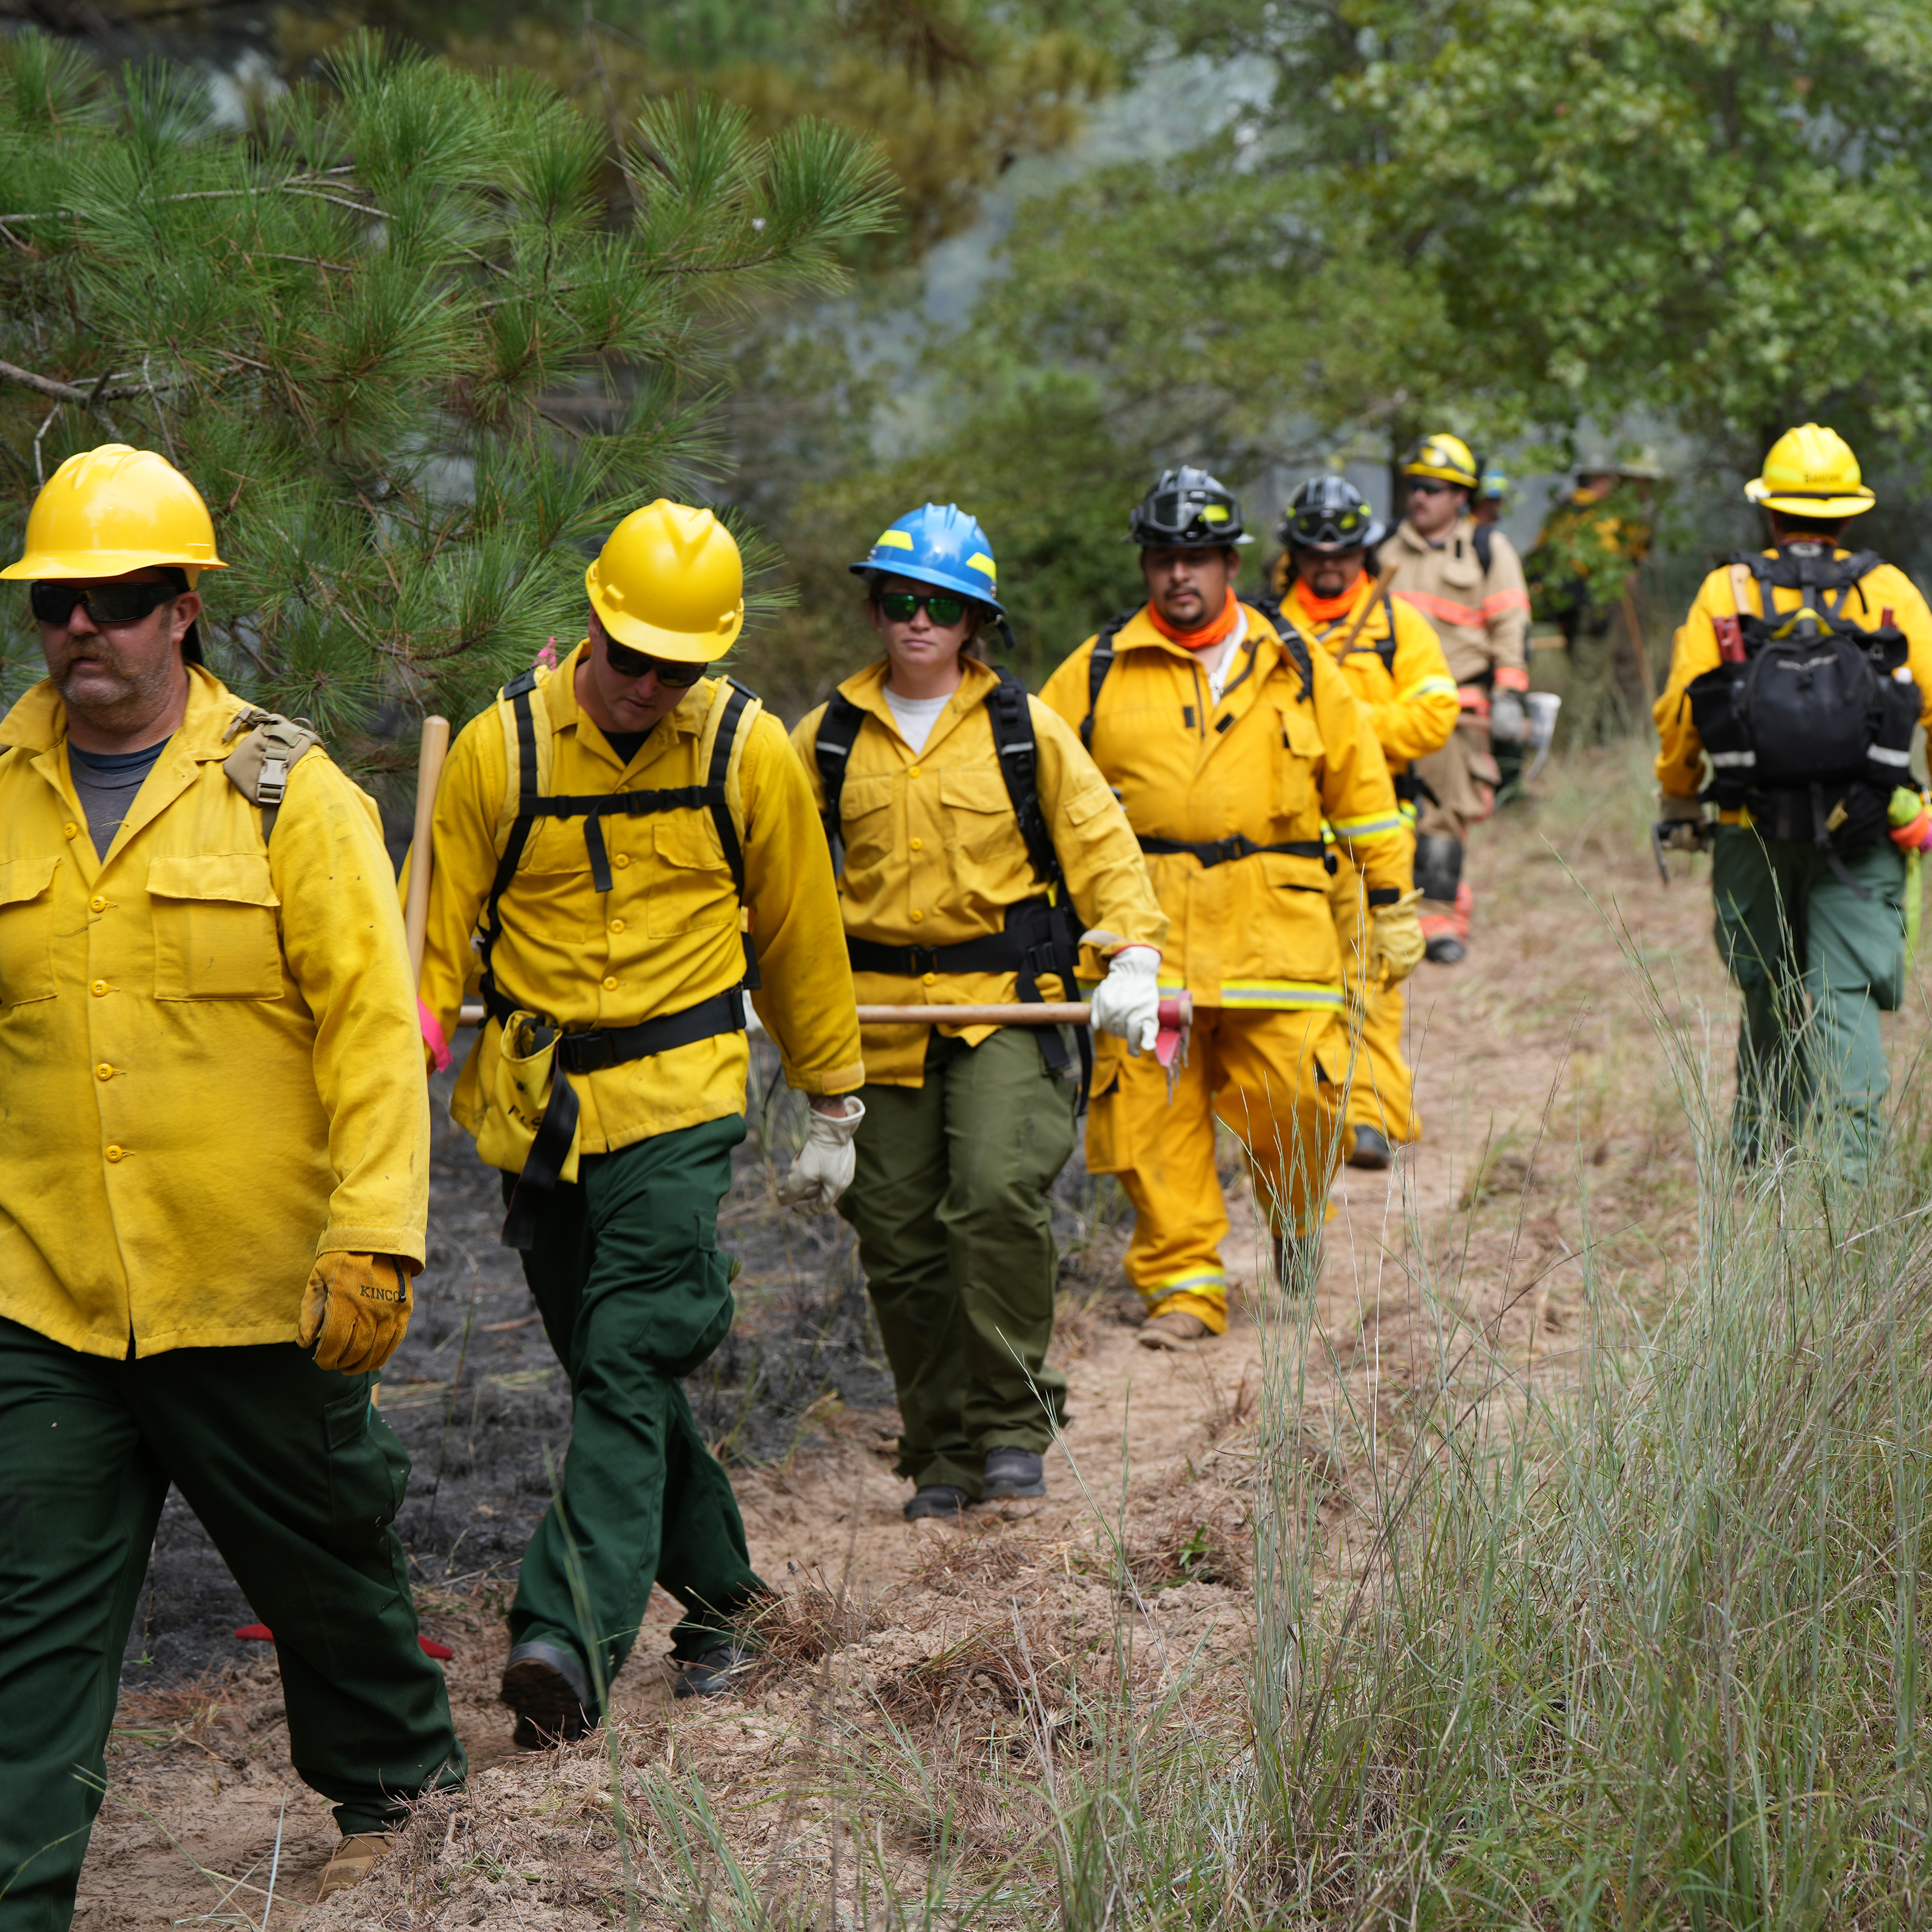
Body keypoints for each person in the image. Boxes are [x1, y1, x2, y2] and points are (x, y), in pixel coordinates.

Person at [0, 444, 463, 1924]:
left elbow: (375, 1043)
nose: (88, 627)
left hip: (258, 1288)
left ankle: (396, 1794)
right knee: (35, 1616)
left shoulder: (290, 797)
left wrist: (378, 1237)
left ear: (186, 608)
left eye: (123, 598)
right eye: (60, 602)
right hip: (48, 1290)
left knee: (322, 1563)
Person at [415, 500, 863, 1740]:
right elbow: (429, 935)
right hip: (538, 1110)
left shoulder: (744, 753)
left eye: (680, 669)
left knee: (628, 1356)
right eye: (631, 660)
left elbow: (799, 934)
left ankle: (563, 1638)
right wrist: (392, 1045)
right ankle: (730, 1601)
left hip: (681, 1102)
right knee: (625, 1388)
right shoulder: (501, 754)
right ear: (591, 625)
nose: (648, 688)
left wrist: (836, 1094)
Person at [793, 505, 1167, 1519]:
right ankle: (942, 1452)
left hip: (1008, 1007)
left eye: (943, 606)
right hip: (875, 1022)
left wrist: (1131, 951)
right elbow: (761, 861)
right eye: (902, 601)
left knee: (997, 1195)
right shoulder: (822, 737)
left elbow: (1099, 841)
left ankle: (1010, 1424)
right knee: (900, 1238)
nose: (920, 621)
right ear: (877, 612)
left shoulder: (1021, 727)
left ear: (973, 623)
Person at [1040, 468, 1423, 1349]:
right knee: (1150, 1119)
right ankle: (1187, 1290)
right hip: (1147, 943)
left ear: (1231, 563)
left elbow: (1362, 793)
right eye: (1165, 558)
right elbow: (1040, 792)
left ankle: (1294, 1212)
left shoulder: (1294, 661)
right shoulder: (1095, 671)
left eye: (1200, 557)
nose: (1182, 575)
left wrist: (1391, 900)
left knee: (1300, 1099)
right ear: (1146, 566)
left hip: (1278, 933)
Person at [1654, 424, 1932, 1178]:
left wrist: (1680, 801)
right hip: (1865, 832)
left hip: (1750, 827)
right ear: (1850, 514)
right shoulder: (1889, 591)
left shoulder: (1729, 590)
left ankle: (1758, 1167)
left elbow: (1683, 709)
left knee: (1769, 995)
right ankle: (1854, 1191)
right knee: (1842, 999)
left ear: (1769, 512)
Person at [1272, 477, 1458, 1171]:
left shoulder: (1397, 625)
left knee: (1372, 981)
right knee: (1294, 987)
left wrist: (1347, 724)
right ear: (1293, 552)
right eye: (1314, 551)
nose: (1329, 564)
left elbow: (1434, 715)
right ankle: (1309, 1112)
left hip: (1374, 838)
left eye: (1343, 551)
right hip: (1284, 843)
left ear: (1363, 552)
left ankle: (1371, 1117)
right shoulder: (1265, 626)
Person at [1384, 433, 1532, 963]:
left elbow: (1510, 625)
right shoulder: (1383, 549)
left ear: (1460, 496)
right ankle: (1384, 916)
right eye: (1415, 487)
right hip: (1387, 708)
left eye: (1434, 488)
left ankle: (1441, 923)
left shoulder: (1487, 550)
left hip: (1456, 712)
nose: (1420, 497)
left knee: (1443, 818)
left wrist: (1511, 695)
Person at [1526, 452, 1659, 746]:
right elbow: (1628, 554)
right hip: (1596, 605)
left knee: (1582, 668)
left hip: (1564, 606)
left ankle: (1595, 734)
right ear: (1600, 481)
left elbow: (1539, 555)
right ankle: (1580, 742)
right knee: (1590, 675)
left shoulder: (1561, 512)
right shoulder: (1605, 514)